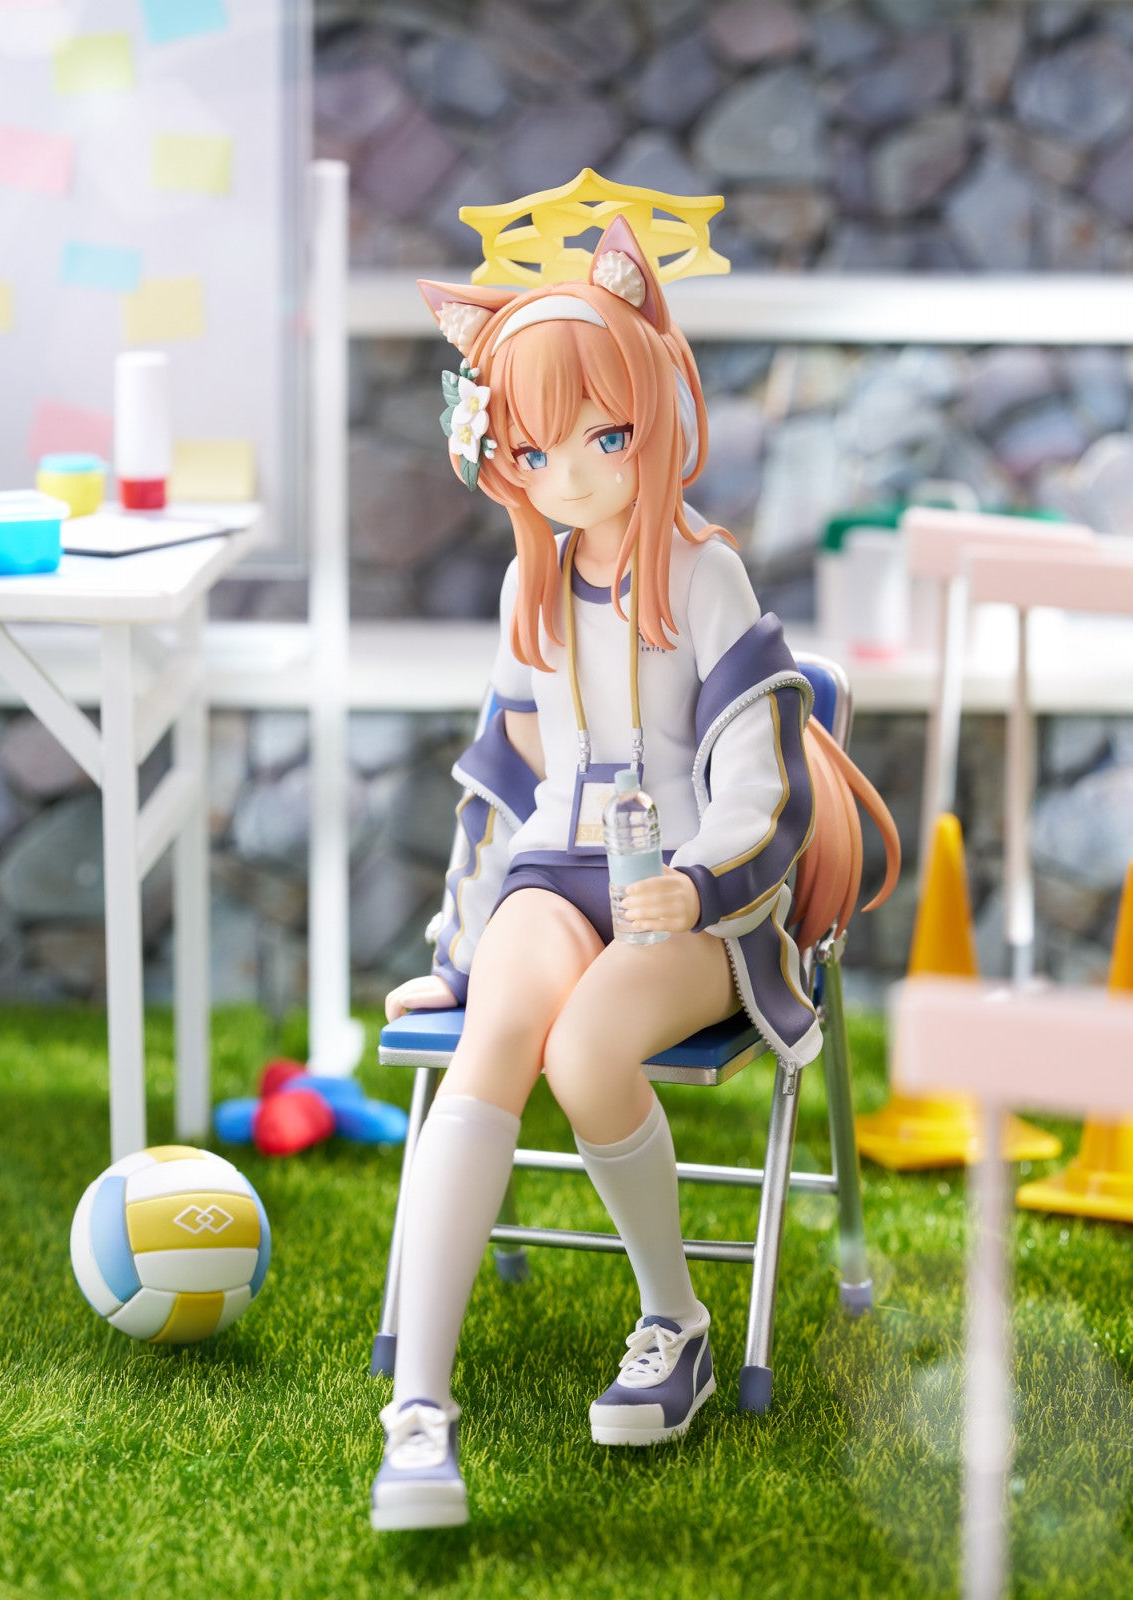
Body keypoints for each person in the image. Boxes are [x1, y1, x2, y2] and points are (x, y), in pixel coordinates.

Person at [371, 215, 899, 1531]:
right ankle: (419, 1414)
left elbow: (764, 788)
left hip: (694, 898)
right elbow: (504, 788)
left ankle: (678, 1319)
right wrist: (459, 943)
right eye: (532, 449)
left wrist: (702, 884)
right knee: (499, 1029)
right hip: (554, 876)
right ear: (499, 456)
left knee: (589, 1049)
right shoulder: (533, 590)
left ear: (650, 420)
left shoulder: (706, 578)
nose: (569, 473)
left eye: (599, 437)